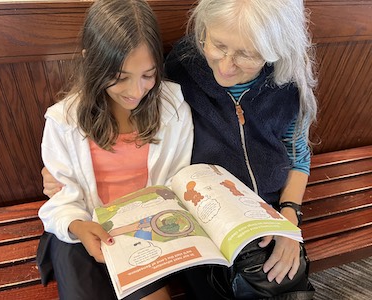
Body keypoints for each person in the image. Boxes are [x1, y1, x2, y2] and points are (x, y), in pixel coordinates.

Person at [42, 0, 318, 298]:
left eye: (246, 54)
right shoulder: (181, 72)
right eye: (219, 46)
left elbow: (297, 154)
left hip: (246, 212)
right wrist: (68, 205)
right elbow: (66, 193)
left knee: (278, 283)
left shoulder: (285, 86)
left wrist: (288, 215)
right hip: (119, 222)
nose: (225, 66)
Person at [36, 0, 193, 299]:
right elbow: (62, 201)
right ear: (91, 63)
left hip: (145, 229)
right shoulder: (63, 121)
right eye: (120, 78)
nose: (136, 91)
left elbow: (176, 181)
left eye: (148, 75)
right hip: (81, 228)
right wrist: (79, 226)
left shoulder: (173, 110)